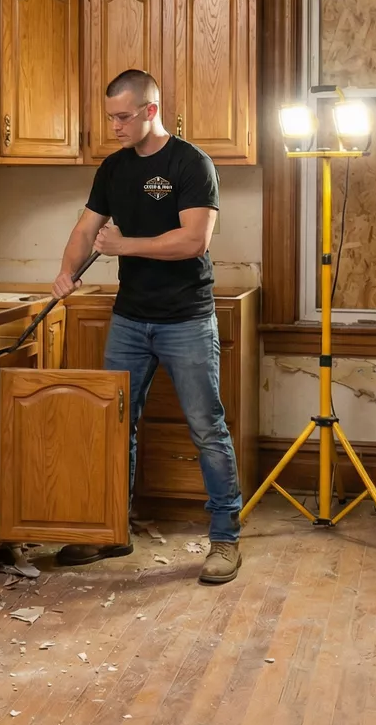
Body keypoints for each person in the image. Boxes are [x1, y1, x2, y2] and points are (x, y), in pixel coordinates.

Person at [50, 69, 242, 583]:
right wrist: (67, 270)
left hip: (186, 319)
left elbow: (192, 241)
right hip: (131, 320)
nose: (113, 125)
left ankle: (224, 539)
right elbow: (86, 228)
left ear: (150, 111)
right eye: (109, 115)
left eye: (122, 116)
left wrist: (124, 246)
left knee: (207, 429)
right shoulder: (113, 169)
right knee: (117, 425)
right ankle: (112, 532)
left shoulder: (191, 163)